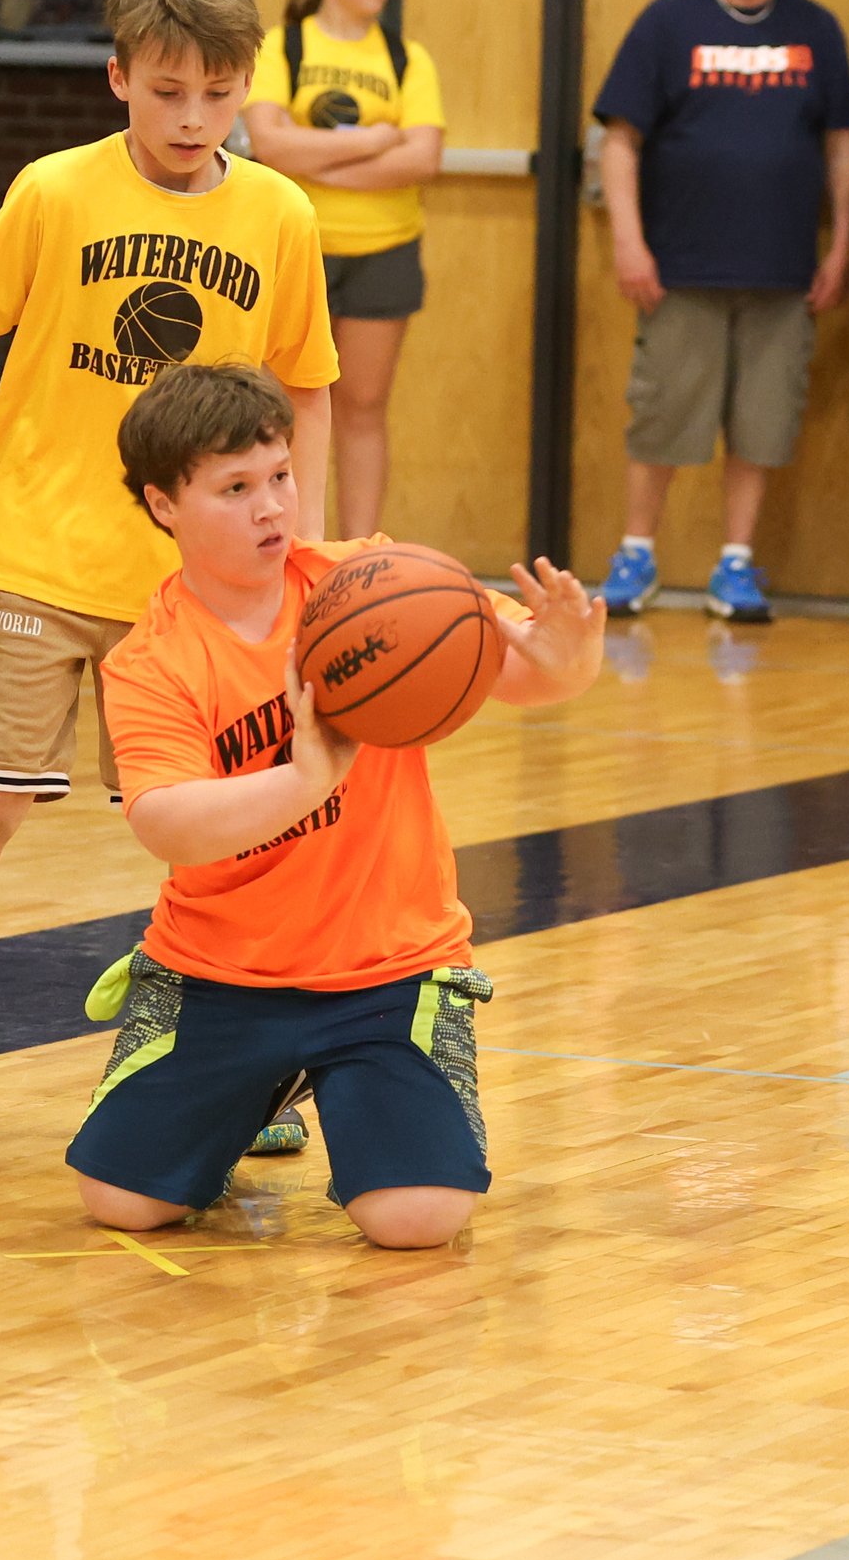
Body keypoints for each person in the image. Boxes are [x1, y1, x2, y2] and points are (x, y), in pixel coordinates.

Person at [0, 0, 338, 1163]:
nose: (192, 117)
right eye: (167, 89)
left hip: (197, 580)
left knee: (216, 823)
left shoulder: (277, 212)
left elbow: (308, 390)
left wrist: (297, 536)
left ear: (246, 89)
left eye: (219, 94)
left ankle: (228, 1054)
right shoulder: (54, 193)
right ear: (118, 78)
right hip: (37, 555)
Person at [71, 361, 604, 1248]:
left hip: (387, 965)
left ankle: (372, 1073)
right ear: (164, 504)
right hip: (222, 973)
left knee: (418, 1222)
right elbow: (164, 820)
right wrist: (301, 783)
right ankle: (251, 1081)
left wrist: (569, 656)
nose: (272, 507)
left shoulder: (373, 585)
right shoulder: (153, 660)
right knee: (121, 1203)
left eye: (279, 476)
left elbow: (525, 674)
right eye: (235, 489)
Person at [593, 0, 849, 623]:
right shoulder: (667, 23)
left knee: (762, 421)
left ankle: (735, 565)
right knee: (662, 417)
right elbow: (620, 142)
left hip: (784, 273)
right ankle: (636, 554)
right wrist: (629, 242)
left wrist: (841, 247)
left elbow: (842, 145)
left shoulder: (815, 28)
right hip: (679, 269)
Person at [245, 0, 445, 538]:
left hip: (383, 250)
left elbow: (422, 159)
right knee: (283, 409)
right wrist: (374, 143)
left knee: (361, 409)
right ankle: (286, 544)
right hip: (293, 249)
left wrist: (320, 160)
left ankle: (357, 554)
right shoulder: (283, 46)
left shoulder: (406, 58)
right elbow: (270, 147)